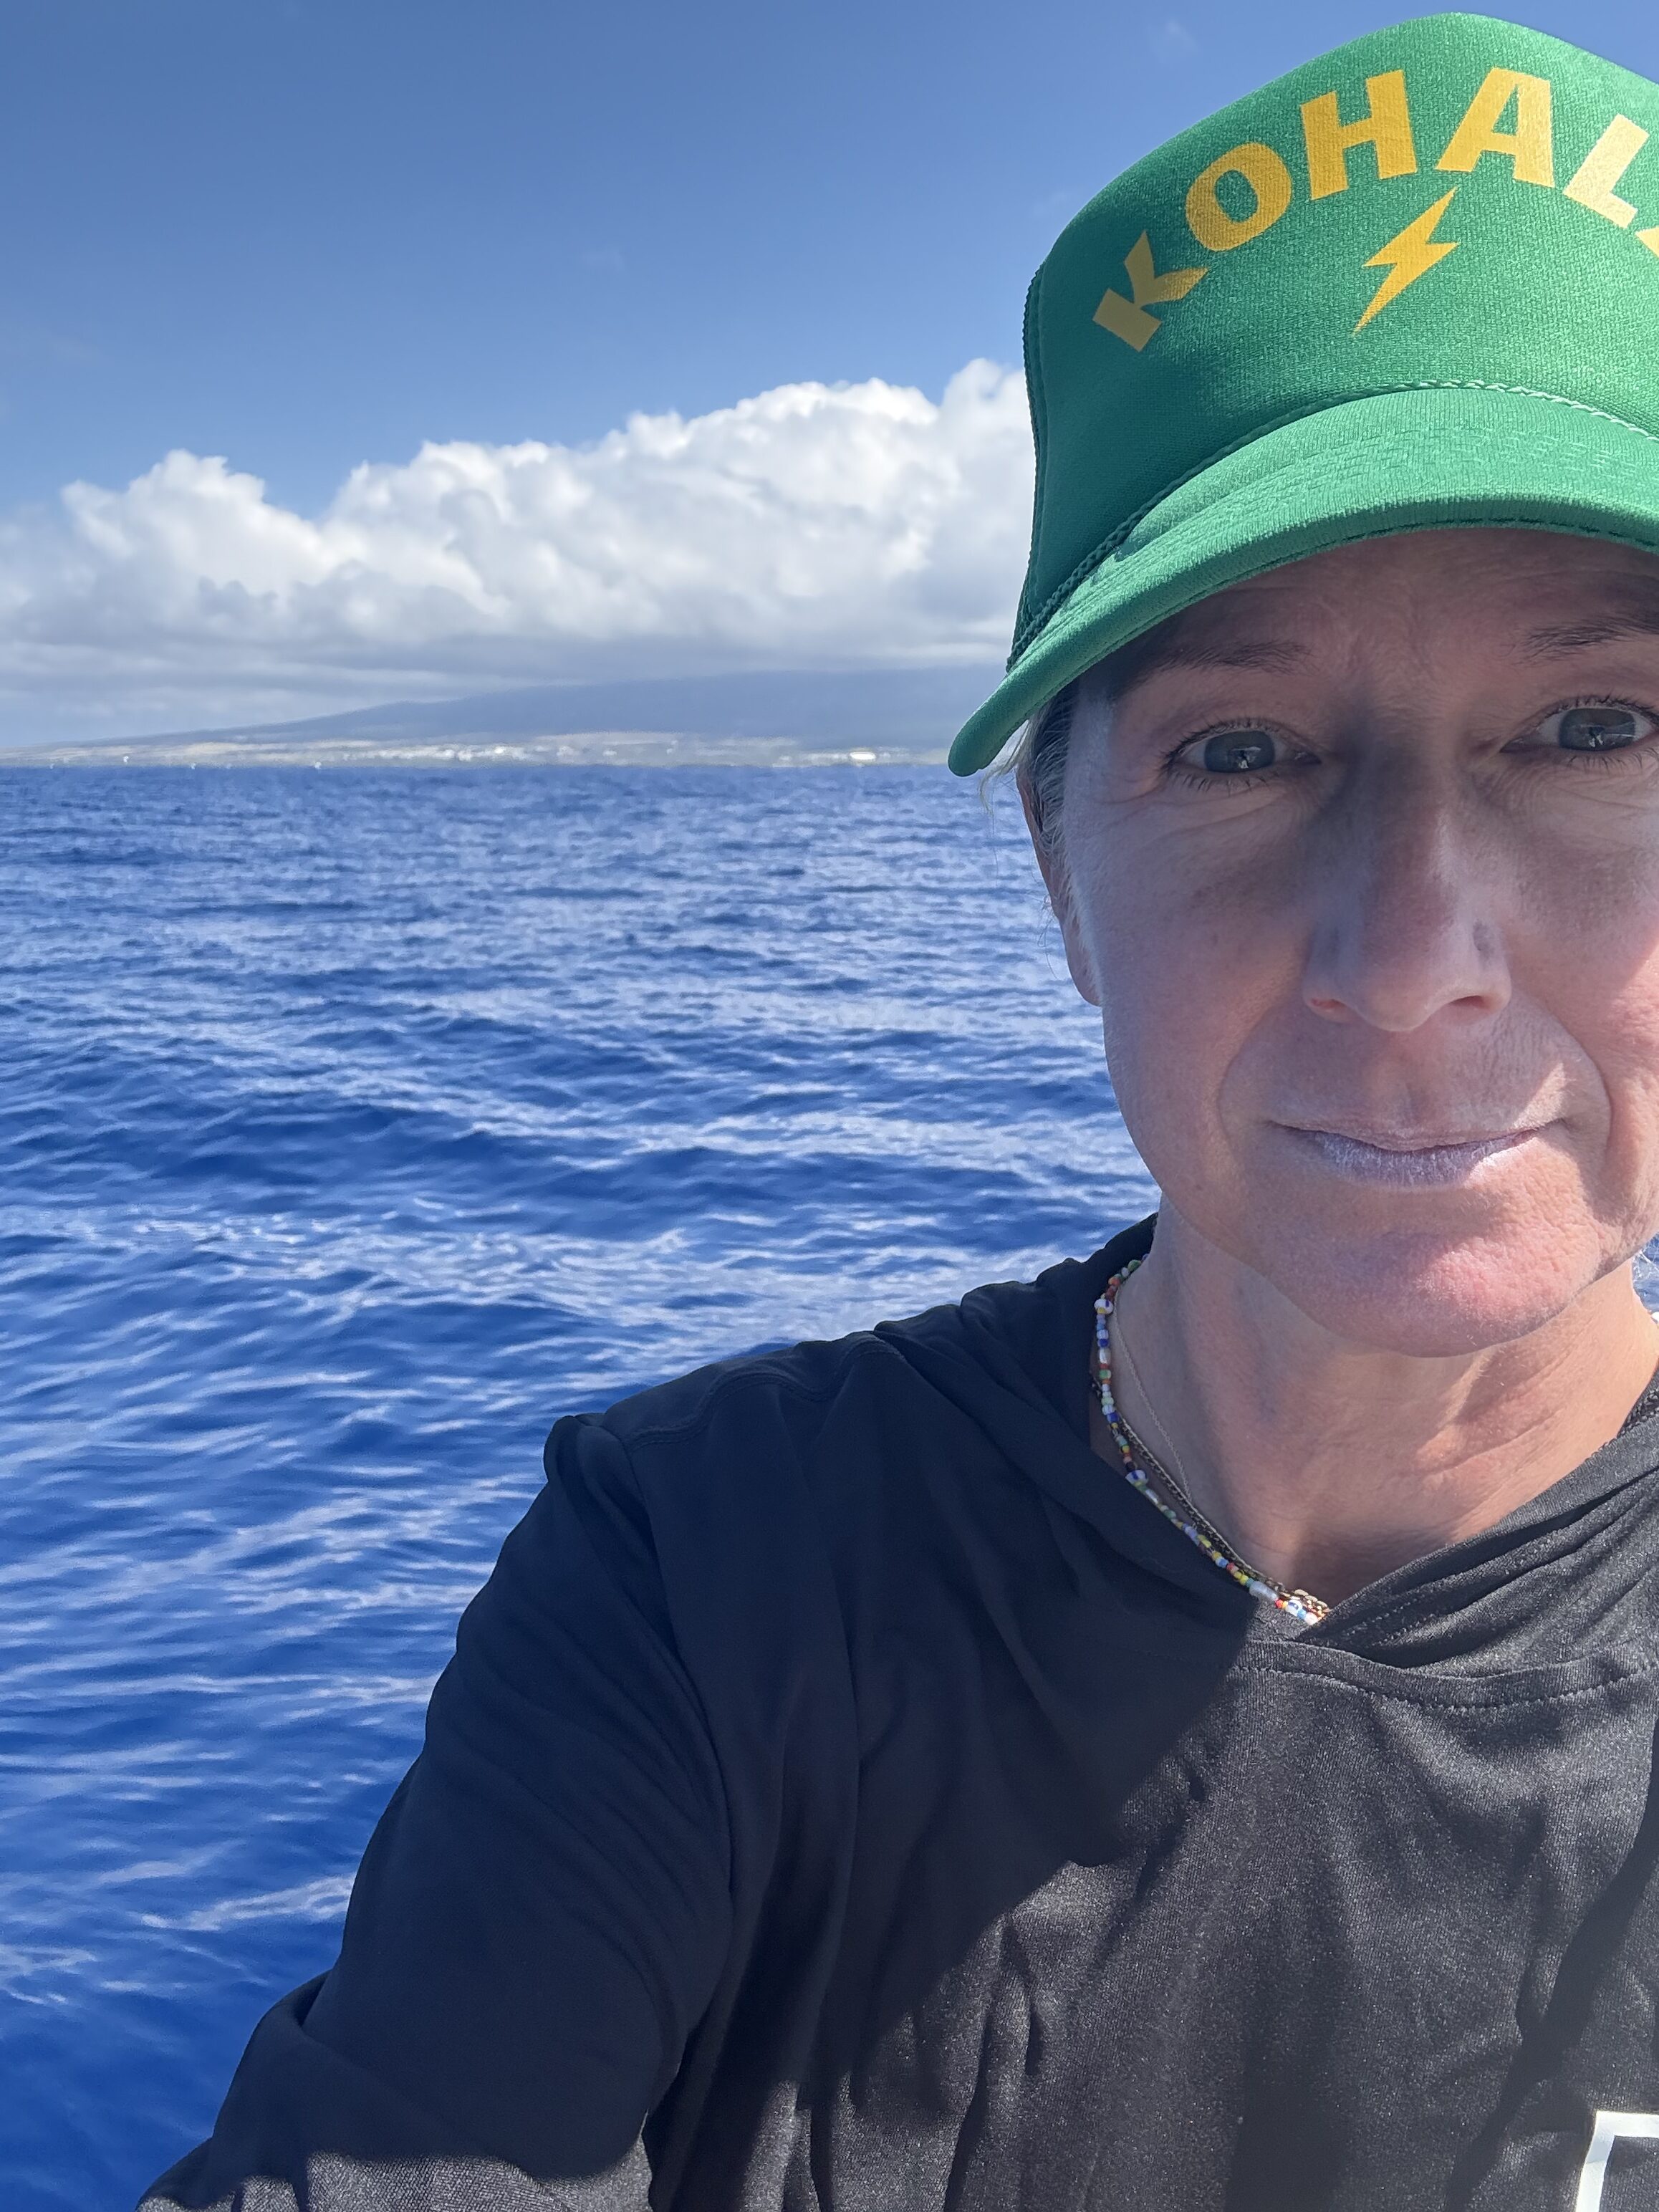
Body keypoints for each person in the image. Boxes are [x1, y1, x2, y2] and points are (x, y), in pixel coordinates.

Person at [144, 14, 1659, 2209]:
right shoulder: (699, 1573)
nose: (1408, 944)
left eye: (1595, 723)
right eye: (1236, 751)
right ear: (1058, 871)